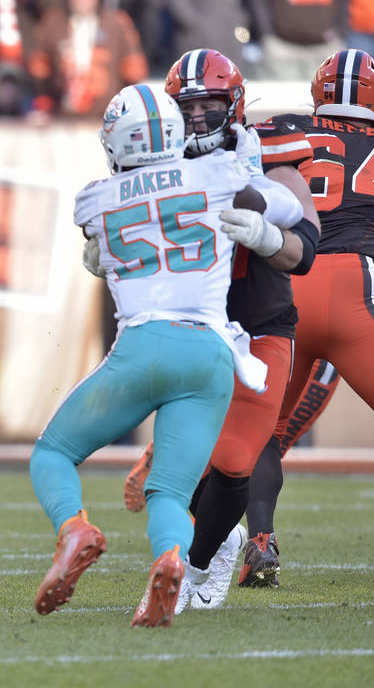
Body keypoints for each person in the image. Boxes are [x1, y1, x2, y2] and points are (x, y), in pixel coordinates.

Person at [31, 83, 268, 628]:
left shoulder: (96, 197)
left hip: (143, 344)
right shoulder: (220, 172)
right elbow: (258, 189)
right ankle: (169, 558)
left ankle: (76, 530)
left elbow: (105, 241)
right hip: (210, 353)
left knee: (53, 454)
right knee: (171, 490)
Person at [121, 48, 320, 612]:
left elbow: (307, 248)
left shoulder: (267, 150)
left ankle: (193, 568)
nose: (201, 117)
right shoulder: (151, 157)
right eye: (189, 106)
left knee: (235, 460)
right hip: (191, 328)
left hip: (259, 325)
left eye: (211, 103)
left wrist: (266, 236)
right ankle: (210, 538)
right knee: (188, 471)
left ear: (233, 103)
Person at [242, 68, 374, 583]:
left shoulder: (279, 128)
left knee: (264, 432)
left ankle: (261, 540)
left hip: (286, 285)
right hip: (352, 290)